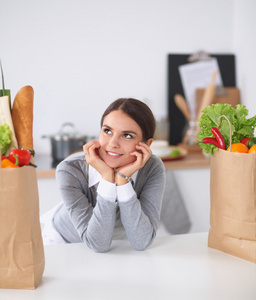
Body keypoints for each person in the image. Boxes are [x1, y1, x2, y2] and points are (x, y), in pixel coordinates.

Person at [42, 98, 166, 252]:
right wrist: (108, 179)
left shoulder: (152, 168)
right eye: (107, 131)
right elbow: (97, 244)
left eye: (127, 135)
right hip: (64, 244)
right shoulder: (69, 169)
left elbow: (141, 242)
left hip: (116, 246)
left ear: (146, 145)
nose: (113, 143)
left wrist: (122, 181)